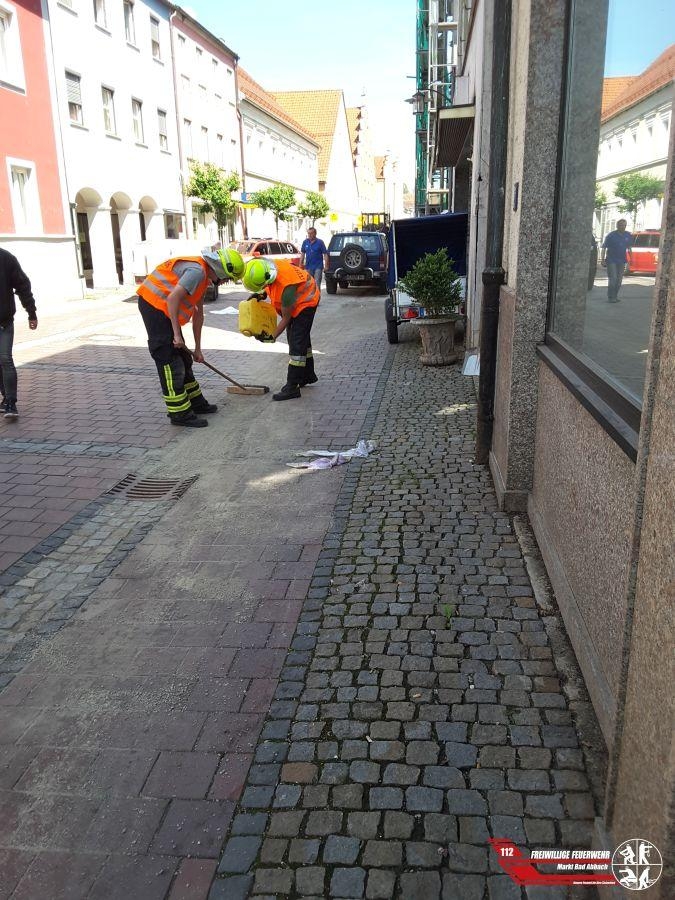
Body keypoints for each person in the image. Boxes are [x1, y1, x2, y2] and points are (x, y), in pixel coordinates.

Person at [137, 247, 244, 427]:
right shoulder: (197, 272)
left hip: (164, 309)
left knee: (185, 358)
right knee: (169, 359)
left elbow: (198, 315)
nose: (226, 281)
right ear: (221, 269)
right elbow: (172, 299)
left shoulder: (203, 278)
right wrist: (176, 334)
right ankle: (179, 414)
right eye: (227, 277)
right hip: (153, 306)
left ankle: (196, 403)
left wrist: (197, 348)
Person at [242, 257, 320, 401]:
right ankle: (307, 375)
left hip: (307, 302)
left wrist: (272, 336)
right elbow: (269, 283)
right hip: (299, 295)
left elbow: (286, 318)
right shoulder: (268, 267)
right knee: (301, 338)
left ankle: (292, 387)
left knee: (296, 342)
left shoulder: (287, 289)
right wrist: (262, 293)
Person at [0, 248, 38, 420]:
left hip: (4, 321)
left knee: (5, 358)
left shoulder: (6, 258)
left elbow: (23, 286)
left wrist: (31, 312)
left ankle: (11, 402)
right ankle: (5, 396)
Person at [601, 219, 633, 302]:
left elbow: (629, 248)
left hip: (622, 261)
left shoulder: (628, 235)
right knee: (613, 279)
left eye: (624, 225)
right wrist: (602, 259)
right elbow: (604, 247)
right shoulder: (611, 235)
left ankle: (615, 296)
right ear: (617, 226)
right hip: (611, 260)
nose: (623, 227)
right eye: (621, 225)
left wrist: (631, 259)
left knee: (619, 281)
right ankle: (611, 297)